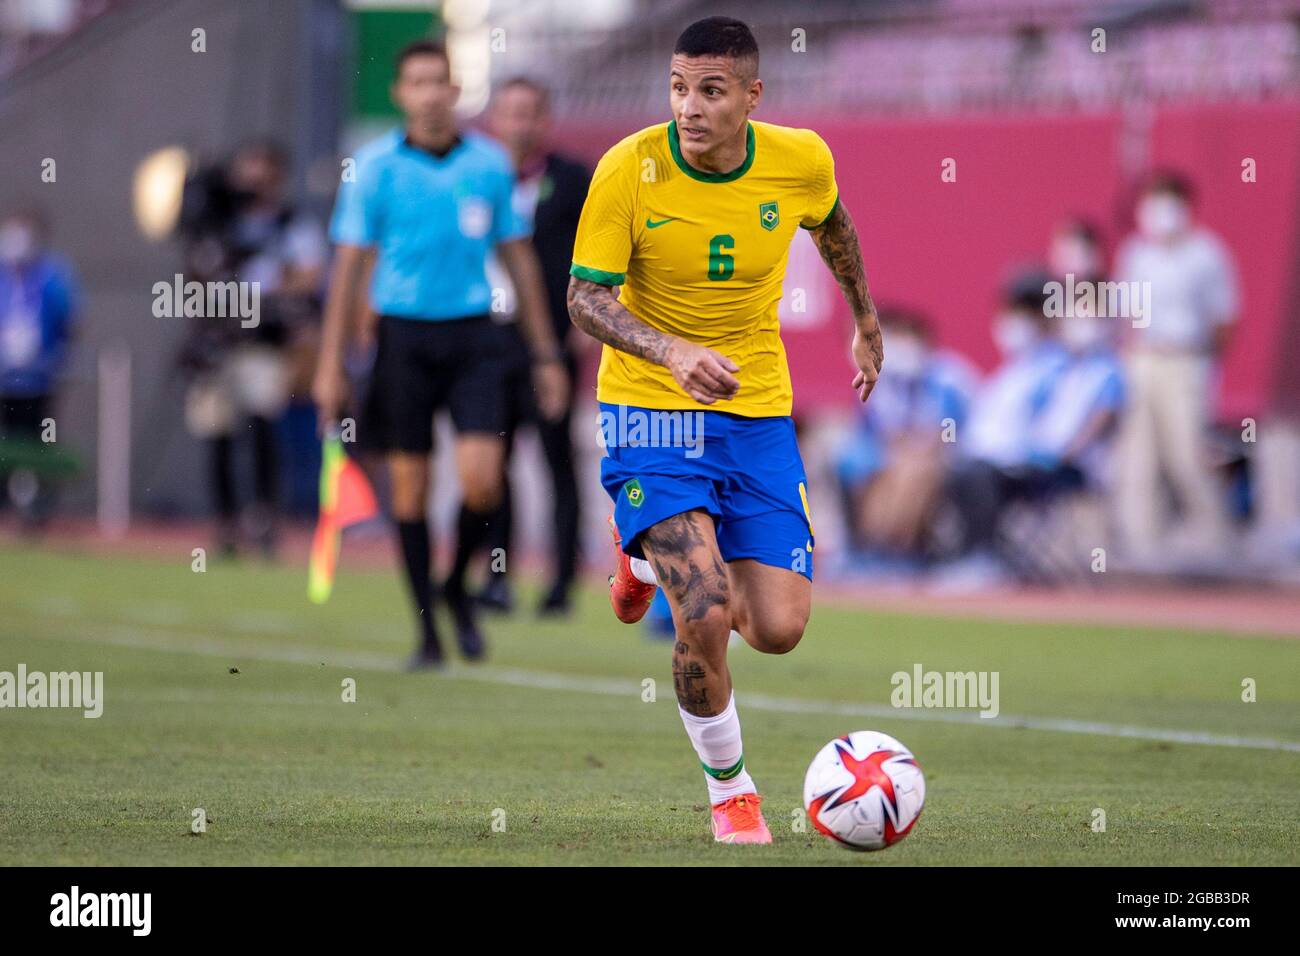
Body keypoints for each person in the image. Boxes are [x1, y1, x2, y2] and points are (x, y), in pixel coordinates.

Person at [567, 17, 883, 844]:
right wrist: (669, 349)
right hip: (649, 409)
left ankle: (636, 554)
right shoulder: (628, 169)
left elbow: (835, 227)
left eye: (710, 90)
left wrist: (866, 321)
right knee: (702, 608)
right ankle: (730, 790)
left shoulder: (801, 159)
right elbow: (585, 299)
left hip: (753, 412)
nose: (689, 107)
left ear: (752, 95)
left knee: (777, 630)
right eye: (678, 87)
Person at [312, 39, 568, 669]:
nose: (429, 93)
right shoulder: (373, 168)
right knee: (410, 490)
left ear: (455, 91)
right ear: (401, 94)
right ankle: (427, 631)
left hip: (477, 336)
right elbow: (347, 270)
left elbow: (520, 260)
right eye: (417, 82)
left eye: (439, 82)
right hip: (402, 339)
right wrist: (329, 364)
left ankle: (455, 586)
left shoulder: (488, 164)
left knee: (483, 482)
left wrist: (545, 355)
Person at [179, 140, 326, 556]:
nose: (254, 178)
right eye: (248, 167)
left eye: (264, 169)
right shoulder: (215, 220)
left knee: (262, 425)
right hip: (217, 341)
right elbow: (191, 255)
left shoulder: (291, 223)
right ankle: (224, 521)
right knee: (216, 431)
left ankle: (263, 516)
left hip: (263, 341)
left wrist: (266, 294)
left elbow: (308, 276)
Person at [478, 76, 592, 616]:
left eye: (530, 113)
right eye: (510, 112)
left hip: (549, 342)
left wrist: (583, 323)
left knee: (556, 461)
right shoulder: (474, 178)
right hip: (485, 342)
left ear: (544, 120)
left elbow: (602, 252)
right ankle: (496, 575)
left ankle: (562, 582)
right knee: (488, 460)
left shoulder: (572, 180)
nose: (520, 124)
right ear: (494, 119)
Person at [1112, 171, 1238, 561]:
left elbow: (1224, 319)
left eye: (1167, 201)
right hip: (1143, 360)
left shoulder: (1206, 253)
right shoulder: (1136, 253)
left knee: (1188, 454)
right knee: (1138, 457)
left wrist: (1205, 366)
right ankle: (1141, 548)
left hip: (1186, 361)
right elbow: (1126, 316)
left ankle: (1215, 541)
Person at [944, 273, 1069, 571]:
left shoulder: (1058, 366)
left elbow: (1053, 430)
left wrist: (1027, 453)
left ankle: (984, 558)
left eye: (1027, 313)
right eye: (1013, 311)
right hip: (994, 460)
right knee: (956, 469)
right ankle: (958, 556)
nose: (1015, 322)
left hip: (1033, 467)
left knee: (978, 473)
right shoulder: (1012, 370)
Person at [833, 307, 975, 557]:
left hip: (956, 455)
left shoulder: (949, 376)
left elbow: (945, 433)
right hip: (903, 456)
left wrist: (915, 449)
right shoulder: (887, 382)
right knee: (879, 470)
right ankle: (871, 547)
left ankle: (899, 550)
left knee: (916, 470)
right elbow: (887, 433)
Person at [0, 209, 78, 526]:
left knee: (40, 438)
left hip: (40, 376)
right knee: (9, 439)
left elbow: (70, 318)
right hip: (6, 378)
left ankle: (38, 508)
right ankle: (7, 504)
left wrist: (56, 355)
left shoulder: (52, 275)